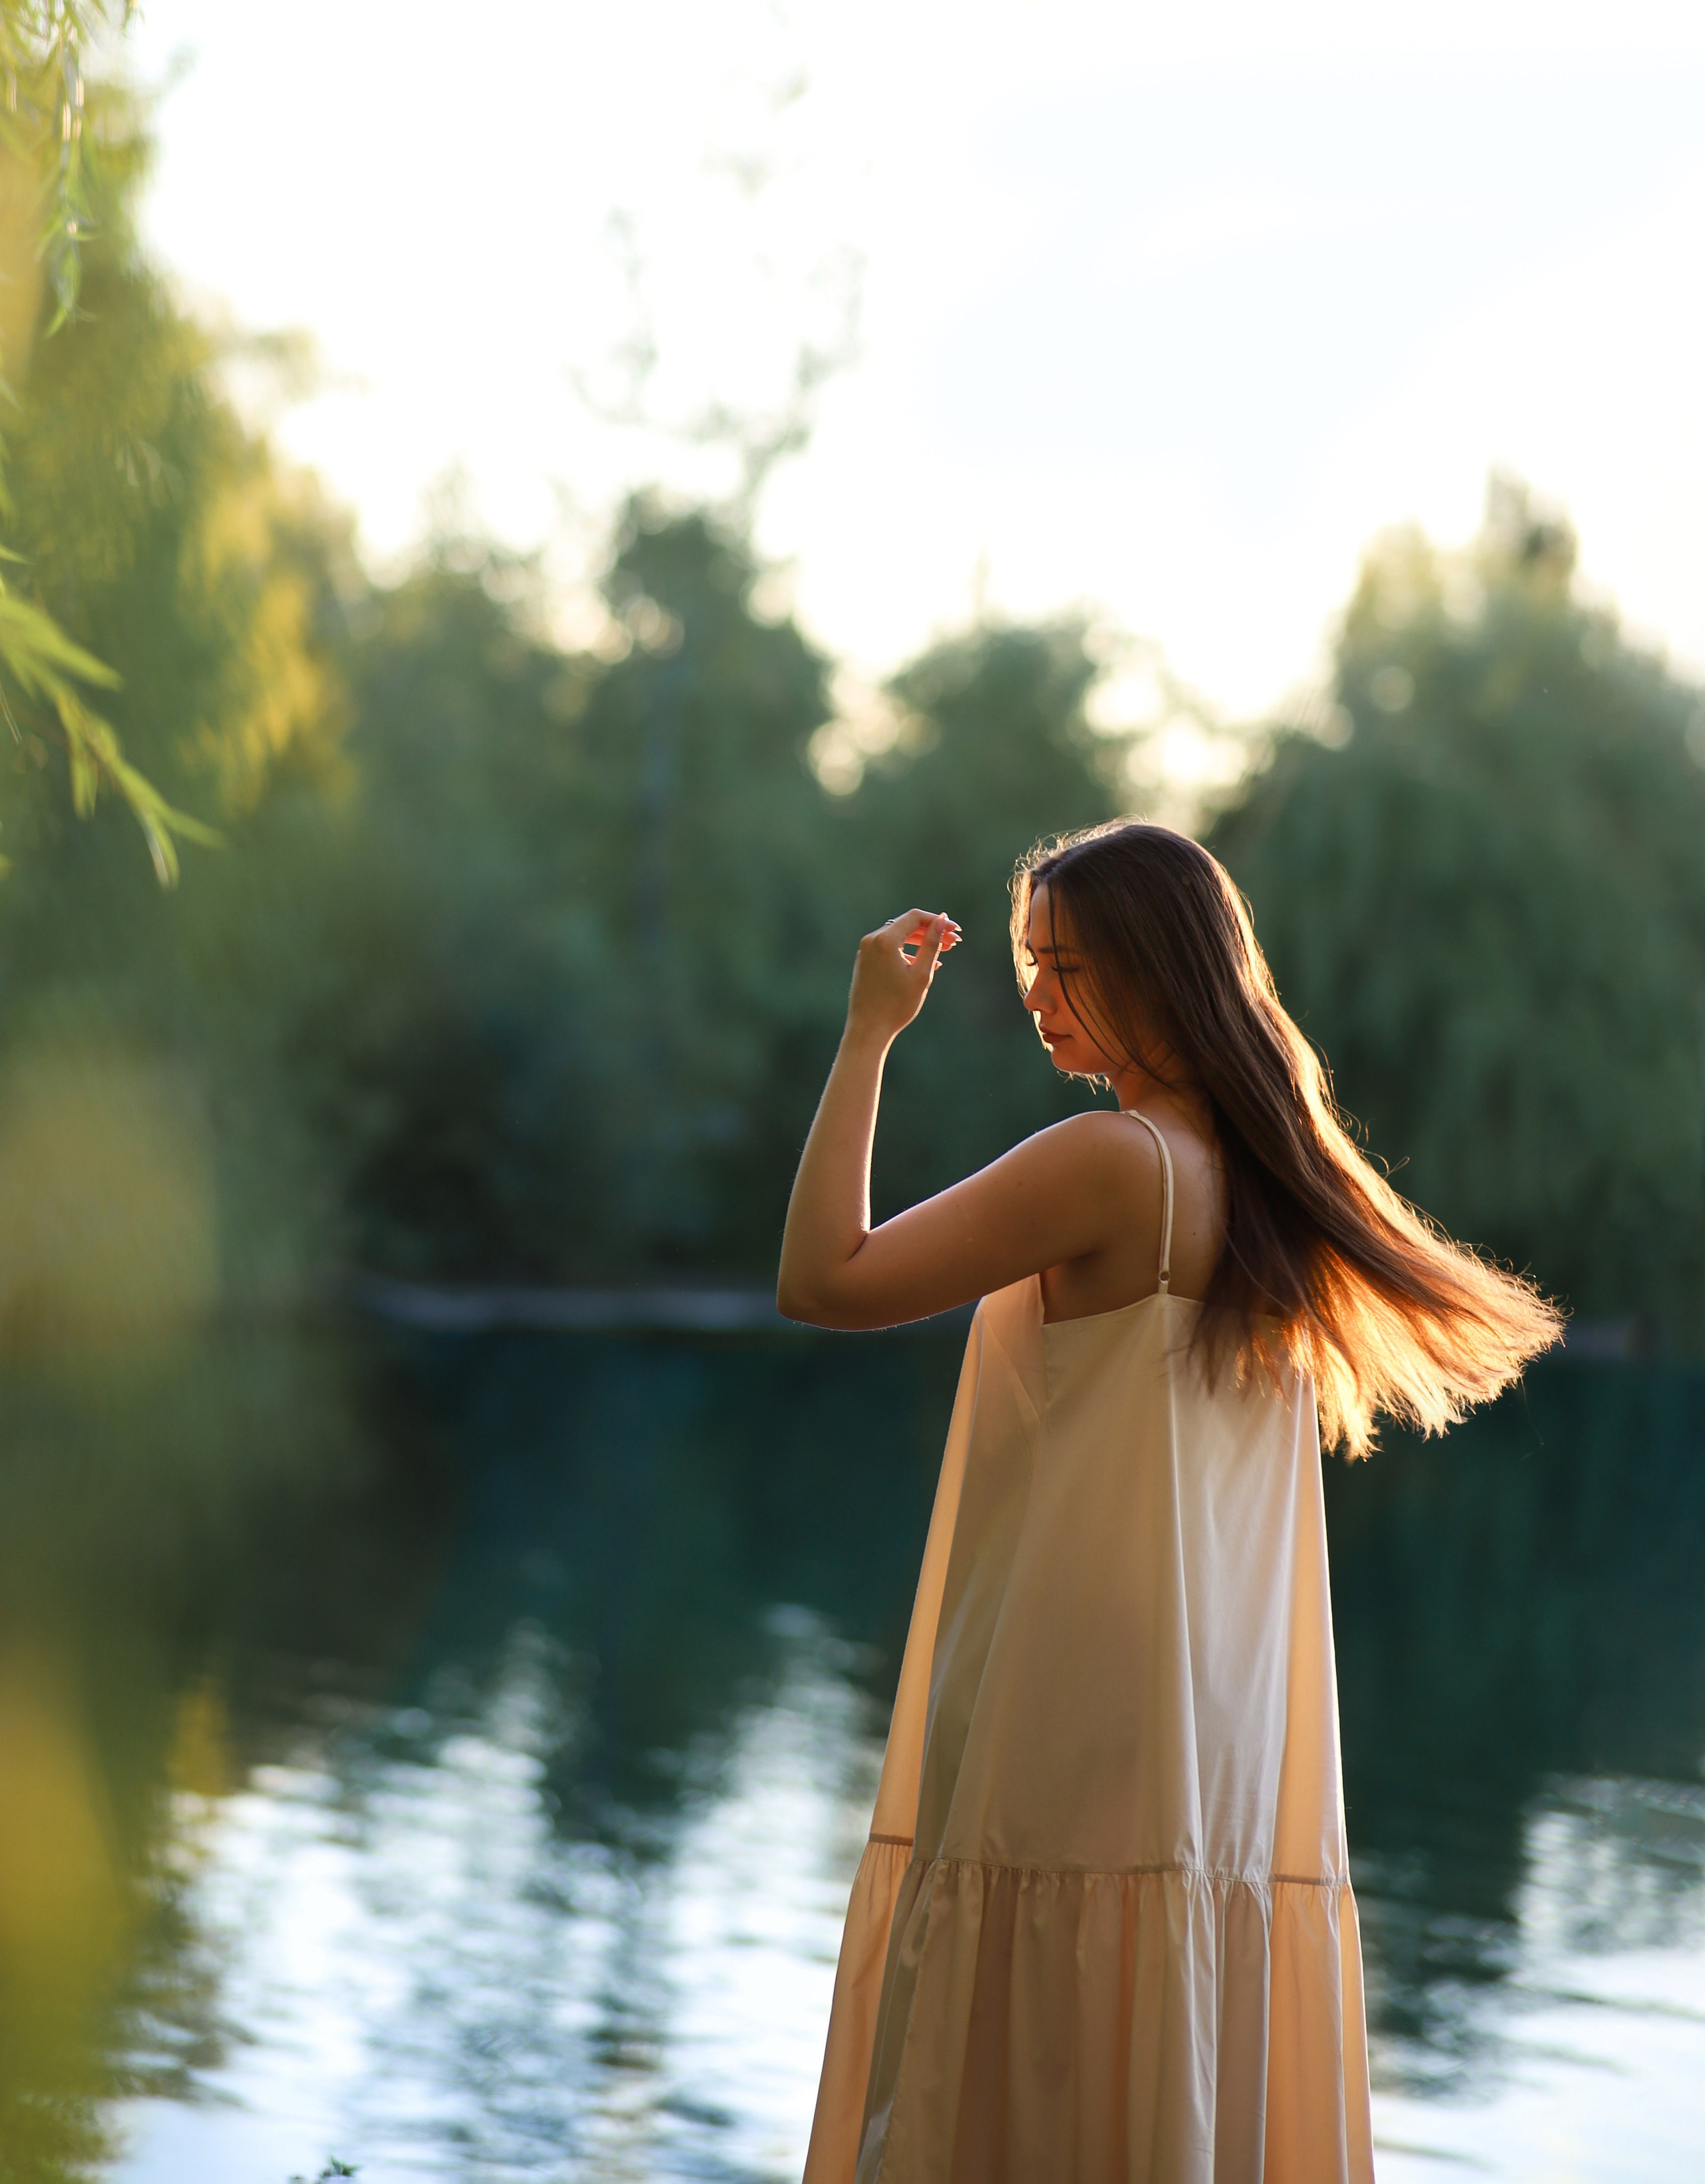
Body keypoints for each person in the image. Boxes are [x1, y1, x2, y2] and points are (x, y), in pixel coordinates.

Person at [778, 819, 1559, 2184]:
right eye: (1027, 961)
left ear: (1154, 967)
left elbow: (823, 1278)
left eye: (1063, 964)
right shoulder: (1258, 1177)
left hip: (1062, 1701)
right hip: (1204, 1731)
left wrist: (865, 1035)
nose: (1034, 994)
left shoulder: (1112, 1164)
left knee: (1015, 2071)